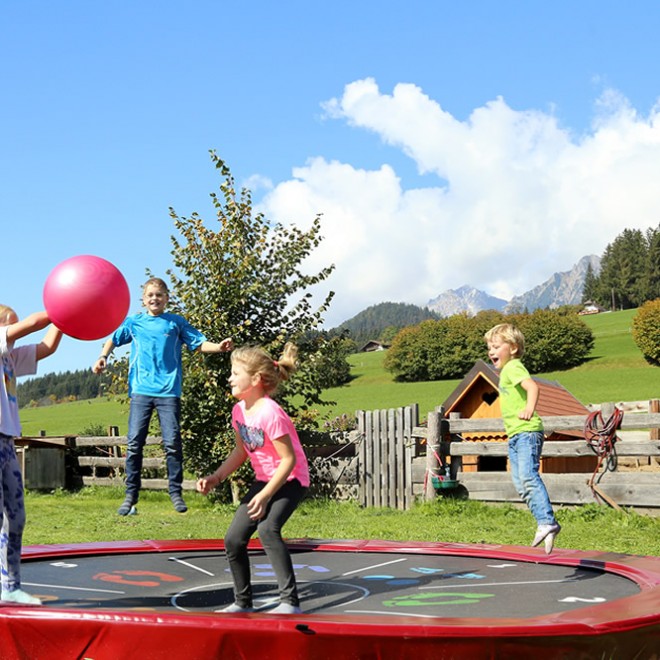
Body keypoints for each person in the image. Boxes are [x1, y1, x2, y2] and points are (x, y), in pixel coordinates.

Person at [93, 277, 232, 516]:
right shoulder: (134, 323)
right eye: (150, 295)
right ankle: (130, 495)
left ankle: (175, 492)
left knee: (172, 443)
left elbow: (198, 344)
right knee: (135, 443)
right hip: (141, 391)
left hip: (169, 392)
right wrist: (103, 357)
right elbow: (113, 340)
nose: (154, 299)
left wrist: (219, 347)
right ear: (144, 300)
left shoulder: (175, 323)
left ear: (167, 298)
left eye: (159, 295)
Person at [197, 342, 309, 615]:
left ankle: (289, 602)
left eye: (235, 373)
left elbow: (289, 460)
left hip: (291, 480)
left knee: (268, 530)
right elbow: (241, 451)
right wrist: (217, 477)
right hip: (264, 482)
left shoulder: (270, 413)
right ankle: (242, 601)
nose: (230, 378)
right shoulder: (239, 412)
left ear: (256, 379)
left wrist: (266, 494)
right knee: (234, 539)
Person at [0, 306, 62, 605]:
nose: (16, 332)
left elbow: (47, 346)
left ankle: (10, 586)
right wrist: (62, 309)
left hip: (6, 441)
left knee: (16, 517)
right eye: (11, 326)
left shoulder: (11, 357)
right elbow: (33, 324)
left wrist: (63, 323)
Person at [484, 323, 561, 554]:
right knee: (520, 482)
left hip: (527, 432)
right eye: (489, 347)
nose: (491, 351)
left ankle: (548, 522)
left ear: (514, 348)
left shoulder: (513, 367)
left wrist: (529, 408)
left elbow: (533, 387)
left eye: (496, 346)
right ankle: (543, 522)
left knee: (527, 476)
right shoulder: (505, 372)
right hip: (516, 435)